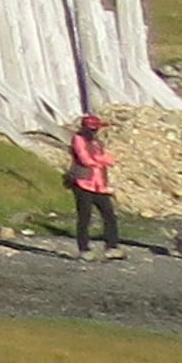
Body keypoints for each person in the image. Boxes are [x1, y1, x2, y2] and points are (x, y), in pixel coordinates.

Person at [66, 111, 122, 258]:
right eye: (93, 129)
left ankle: (112, 246)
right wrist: (101, 159)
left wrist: (100, 159)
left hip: (99, 185)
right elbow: (85, 159)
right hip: (82, 183)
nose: (95, 132)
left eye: (96, 129)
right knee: (85, 216)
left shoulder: (97, 143)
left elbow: (111, 160)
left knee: (109, 215)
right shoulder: (78, 139)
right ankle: (84, 249)